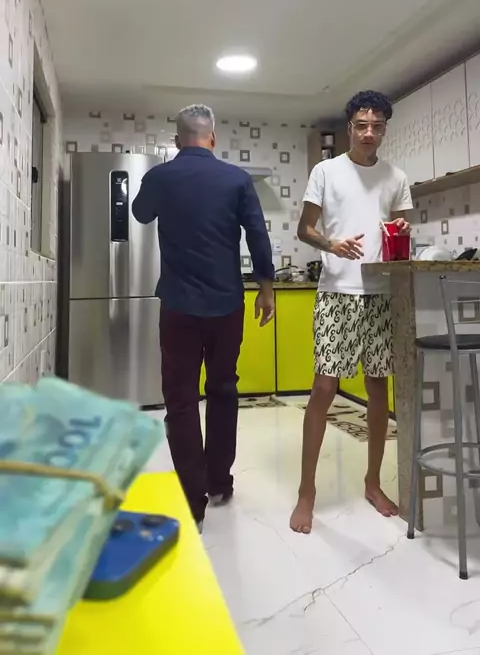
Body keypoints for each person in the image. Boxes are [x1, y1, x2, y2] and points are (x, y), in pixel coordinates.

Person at [132, 104, 275, 530]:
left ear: (177, 140)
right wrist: (266, 288)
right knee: (224, 389)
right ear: (213, 138)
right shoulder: (237, 179)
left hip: (178, 305)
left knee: (180, 399)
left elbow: (139, 213)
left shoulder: (160, 176)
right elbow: (258, 233)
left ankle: (192, 501)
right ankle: (218, 482)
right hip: (227, 304)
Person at [290, 90, 413, 535]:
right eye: (361, 125)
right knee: (325, 386)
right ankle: (307, 492)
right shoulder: (326, 171)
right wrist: (332, 244)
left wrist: (402, 232)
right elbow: (304, 229)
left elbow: (401, 231)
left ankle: (373, 482)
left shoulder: (396, 177)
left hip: (381, 294)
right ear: (349, 128)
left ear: (384, 130)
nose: (368, 133)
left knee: (379, 387)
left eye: (376, 126)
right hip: (337, 292)